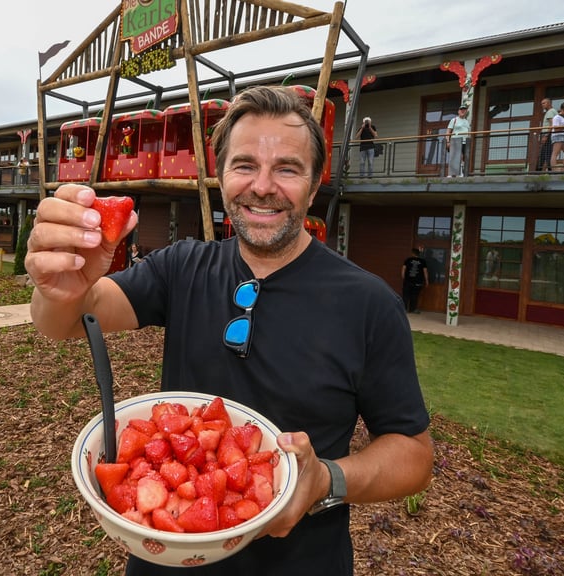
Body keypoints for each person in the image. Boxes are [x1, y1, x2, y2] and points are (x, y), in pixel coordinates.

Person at [26, 85, 433, 575]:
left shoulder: (369, 304)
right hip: (165, 560)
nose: (262, 186)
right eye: (244, 165)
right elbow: (70, 320)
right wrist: (59, 286)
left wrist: (325, 480)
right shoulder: (181, 267)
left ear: (315, 180)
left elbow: (414, 455)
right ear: (220, 175)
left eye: (286, 168)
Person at [401, 248, 429, 313]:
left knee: (405, 295)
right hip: (418, 282)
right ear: (418, 254)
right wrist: (427, 280)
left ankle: (404, 309)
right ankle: (412, 309)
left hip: (408, 281)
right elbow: (425, 271)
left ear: (413, 253)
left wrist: (403, 277)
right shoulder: (422, 261)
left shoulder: (408, 260)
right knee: (415, 295)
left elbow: (403, 269)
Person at [445, 105, 470, 177]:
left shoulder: (466, 121)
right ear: (458, 111)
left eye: (464, 110)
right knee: (457, 157)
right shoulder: (454, 120)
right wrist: (448, 141)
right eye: (461, 109)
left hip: (465, 141)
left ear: (466, 112)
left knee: (462, 158)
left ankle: (460, 173)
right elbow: (448, 131)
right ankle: (451, 174)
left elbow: (468, 132)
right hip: (455, 140)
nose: (463, 111)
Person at [535, 98, 557, 172]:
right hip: (550, 134)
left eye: (544, 103)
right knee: (545, 153)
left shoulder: (550, 112)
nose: (542, 105)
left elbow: (551, 124)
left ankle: (543, 170)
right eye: (542, 103)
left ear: (549, 103)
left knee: (546, 153)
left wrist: (546, 136)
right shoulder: (553, 111)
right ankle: (540, 169)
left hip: (548, 134)